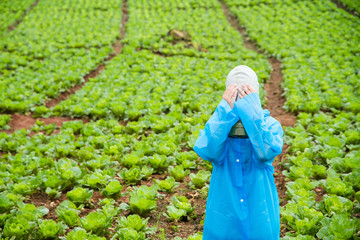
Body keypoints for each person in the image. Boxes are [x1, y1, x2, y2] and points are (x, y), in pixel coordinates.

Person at [193, 65, 283, 240]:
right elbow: (209, 149)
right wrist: (224, 111)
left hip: (258, 203)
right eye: (235, 92)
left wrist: (253, 114)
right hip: (224, 207)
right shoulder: (221, 123)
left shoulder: (269, 124)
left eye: (246, 94)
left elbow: (267, 151)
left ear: (255, 96)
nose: (241, 99)